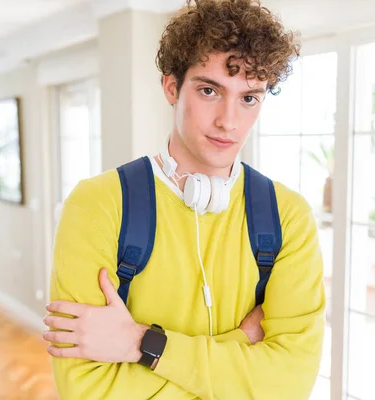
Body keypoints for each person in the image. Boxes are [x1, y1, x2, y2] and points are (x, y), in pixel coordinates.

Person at [42, 0, 326, 398]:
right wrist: (241, 343)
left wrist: (139, 342)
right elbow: (88, 390)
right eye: (210, 90)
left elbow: (289, 383)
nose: (229, 120)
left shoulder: (288, 216)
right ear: (172, 87)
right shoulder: (96, 206)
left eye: (249, 98)